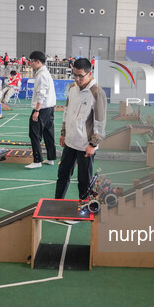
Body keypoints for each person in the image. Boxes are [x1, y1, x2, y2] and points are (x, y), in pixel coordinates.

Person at [55, 58, 107, 201]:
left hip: (86, 146)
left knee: (84, 181)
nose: (77, 79)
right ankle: (57, 203)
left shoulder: (97, 93)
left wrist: (93, 144)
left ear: (89, 74)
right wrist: (63, 133)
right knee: (63, 175)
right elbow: (67, 112)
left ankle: (83, 208)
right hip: (70, 142)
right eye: (75, 75)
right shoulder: (72, 88)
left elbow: (100, 122)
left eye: (81, 76)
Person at [26, 51, 57, 169]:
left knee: (34, 134)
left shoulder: (41, 75)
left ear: (38, 62)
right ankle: (51, 158)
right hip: (49, 108)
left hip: (42, 108)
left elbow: (42, 94)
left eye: (32, 61)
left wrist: (37, 110)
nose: (30, 63)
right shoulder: (45, 73)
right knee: (48, 134)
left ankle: (37, 160)